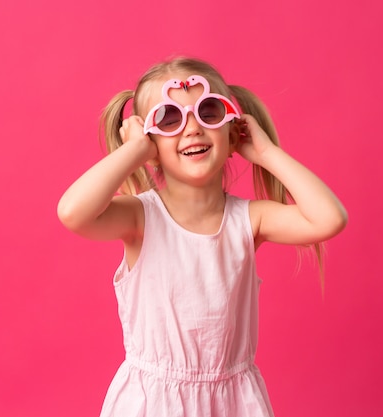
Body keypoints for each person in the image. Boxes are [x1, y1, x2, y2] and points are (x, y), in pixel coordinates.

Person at [57, 57, 348, 417]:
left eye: (209, 111)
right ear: (152, 145)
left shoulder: (249, 219)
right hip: (152, 405)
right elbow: (72, 212)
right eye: (168, 119)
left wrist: (266, 153)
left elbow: (329, 219)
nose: (192, 128)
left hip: (234, 403)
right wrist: (134, 151)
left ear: (232, 132)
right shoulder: (139, 217)